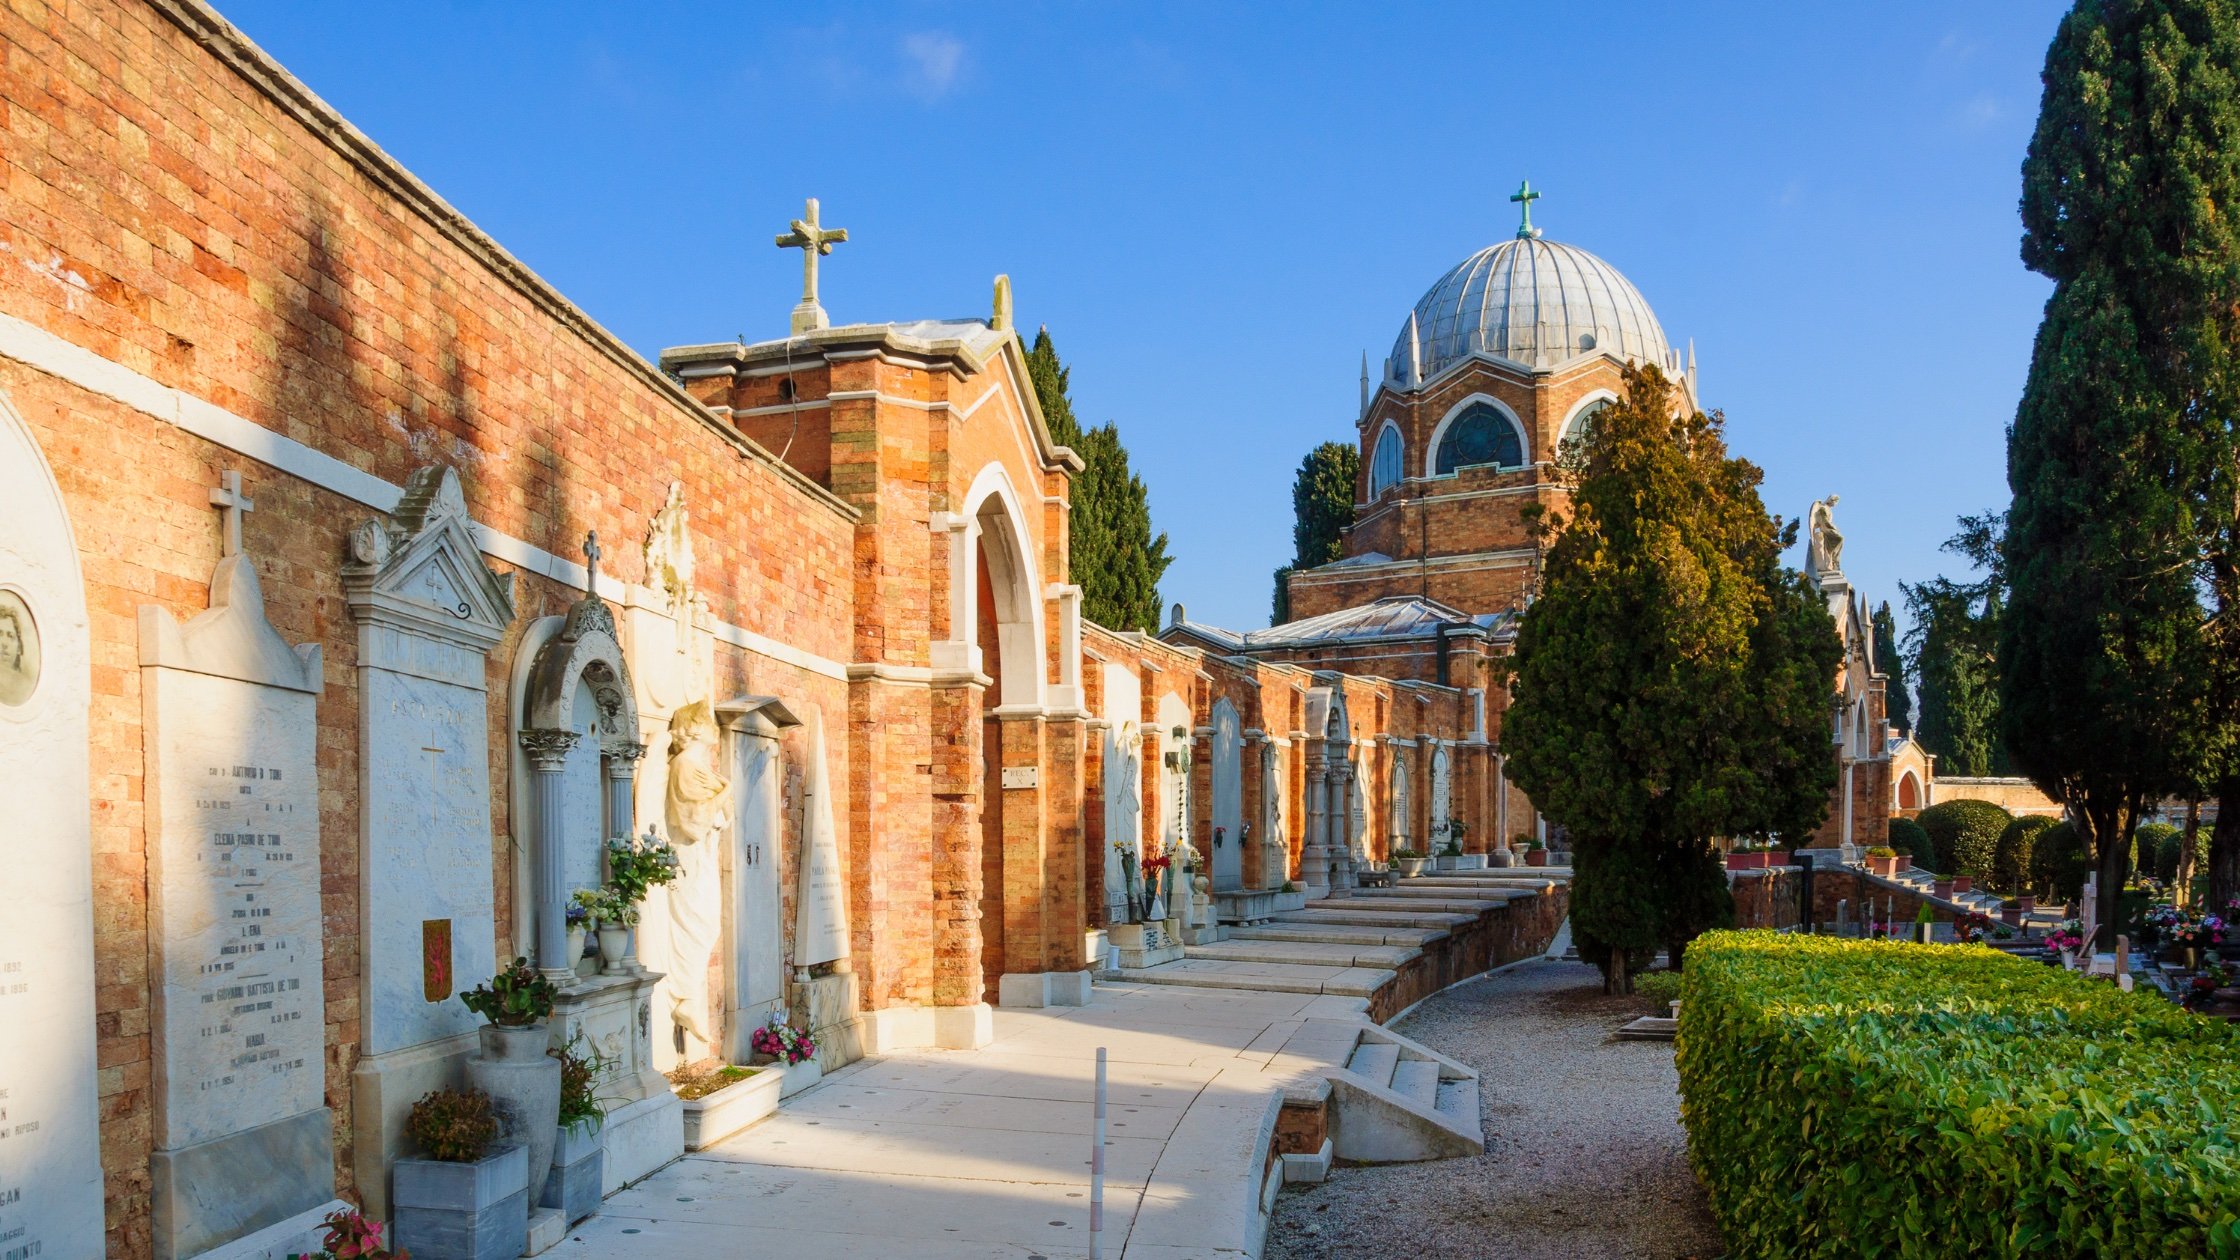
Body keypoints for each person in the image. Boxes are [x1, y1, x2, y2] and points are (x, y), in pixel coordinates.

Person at [0, 602, 35, 706]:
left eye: (10, 636)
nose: (4, 643)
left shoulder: (25, 688)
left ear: (19, 648)